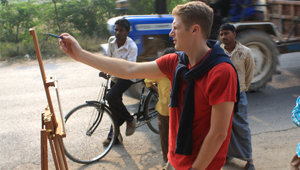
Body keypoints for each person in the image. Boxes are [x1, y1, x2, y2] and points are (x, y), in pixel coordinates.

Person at [59, 1, 239, 169]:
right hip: (176, 158)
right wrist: (80, 55)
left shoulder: (221, 71)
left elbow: (218, 134)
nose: (171, 33)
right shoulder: (176, 62)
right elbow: (129, 69)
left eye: (175, 28)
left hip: (201, 165)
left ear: (195, 30)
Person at [219, 23, 255, 170]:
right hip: (222, 96)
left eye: (226, 33)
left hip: (238, 95)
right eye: (221, 34)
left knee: (242, 127)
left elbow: (249, 73)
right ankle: (227, 154)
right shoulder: (217, 51)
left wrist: (241, 89)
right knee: (224, 127)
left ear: (234, 34)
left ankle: (249, 160)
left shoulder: (245, 52)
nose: (223, 37)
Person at [100, 18, 138, 147]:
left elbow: (129, 68)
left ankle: (129, 118)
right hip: (116, 76)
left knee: (111, 96)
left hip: (127, 76)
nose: (118, 32)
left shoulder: (132, 47)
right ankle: (114, 136)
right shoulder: (111, 41)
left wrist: (112, 70)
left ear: (127, 32)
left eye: (121, 30)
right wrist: (104, 70)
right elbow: (108, 58)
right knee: (113, 105)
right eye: (116, 29)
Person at [144, 47, 175, 164]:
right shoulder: (159, 74)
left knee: (177, 138)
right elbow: (147, 81)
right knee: (165, 137)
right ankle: (167, 162)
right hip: (163, 111)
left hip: (178, 112)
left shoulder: (181, 72)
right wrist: (157, 90)